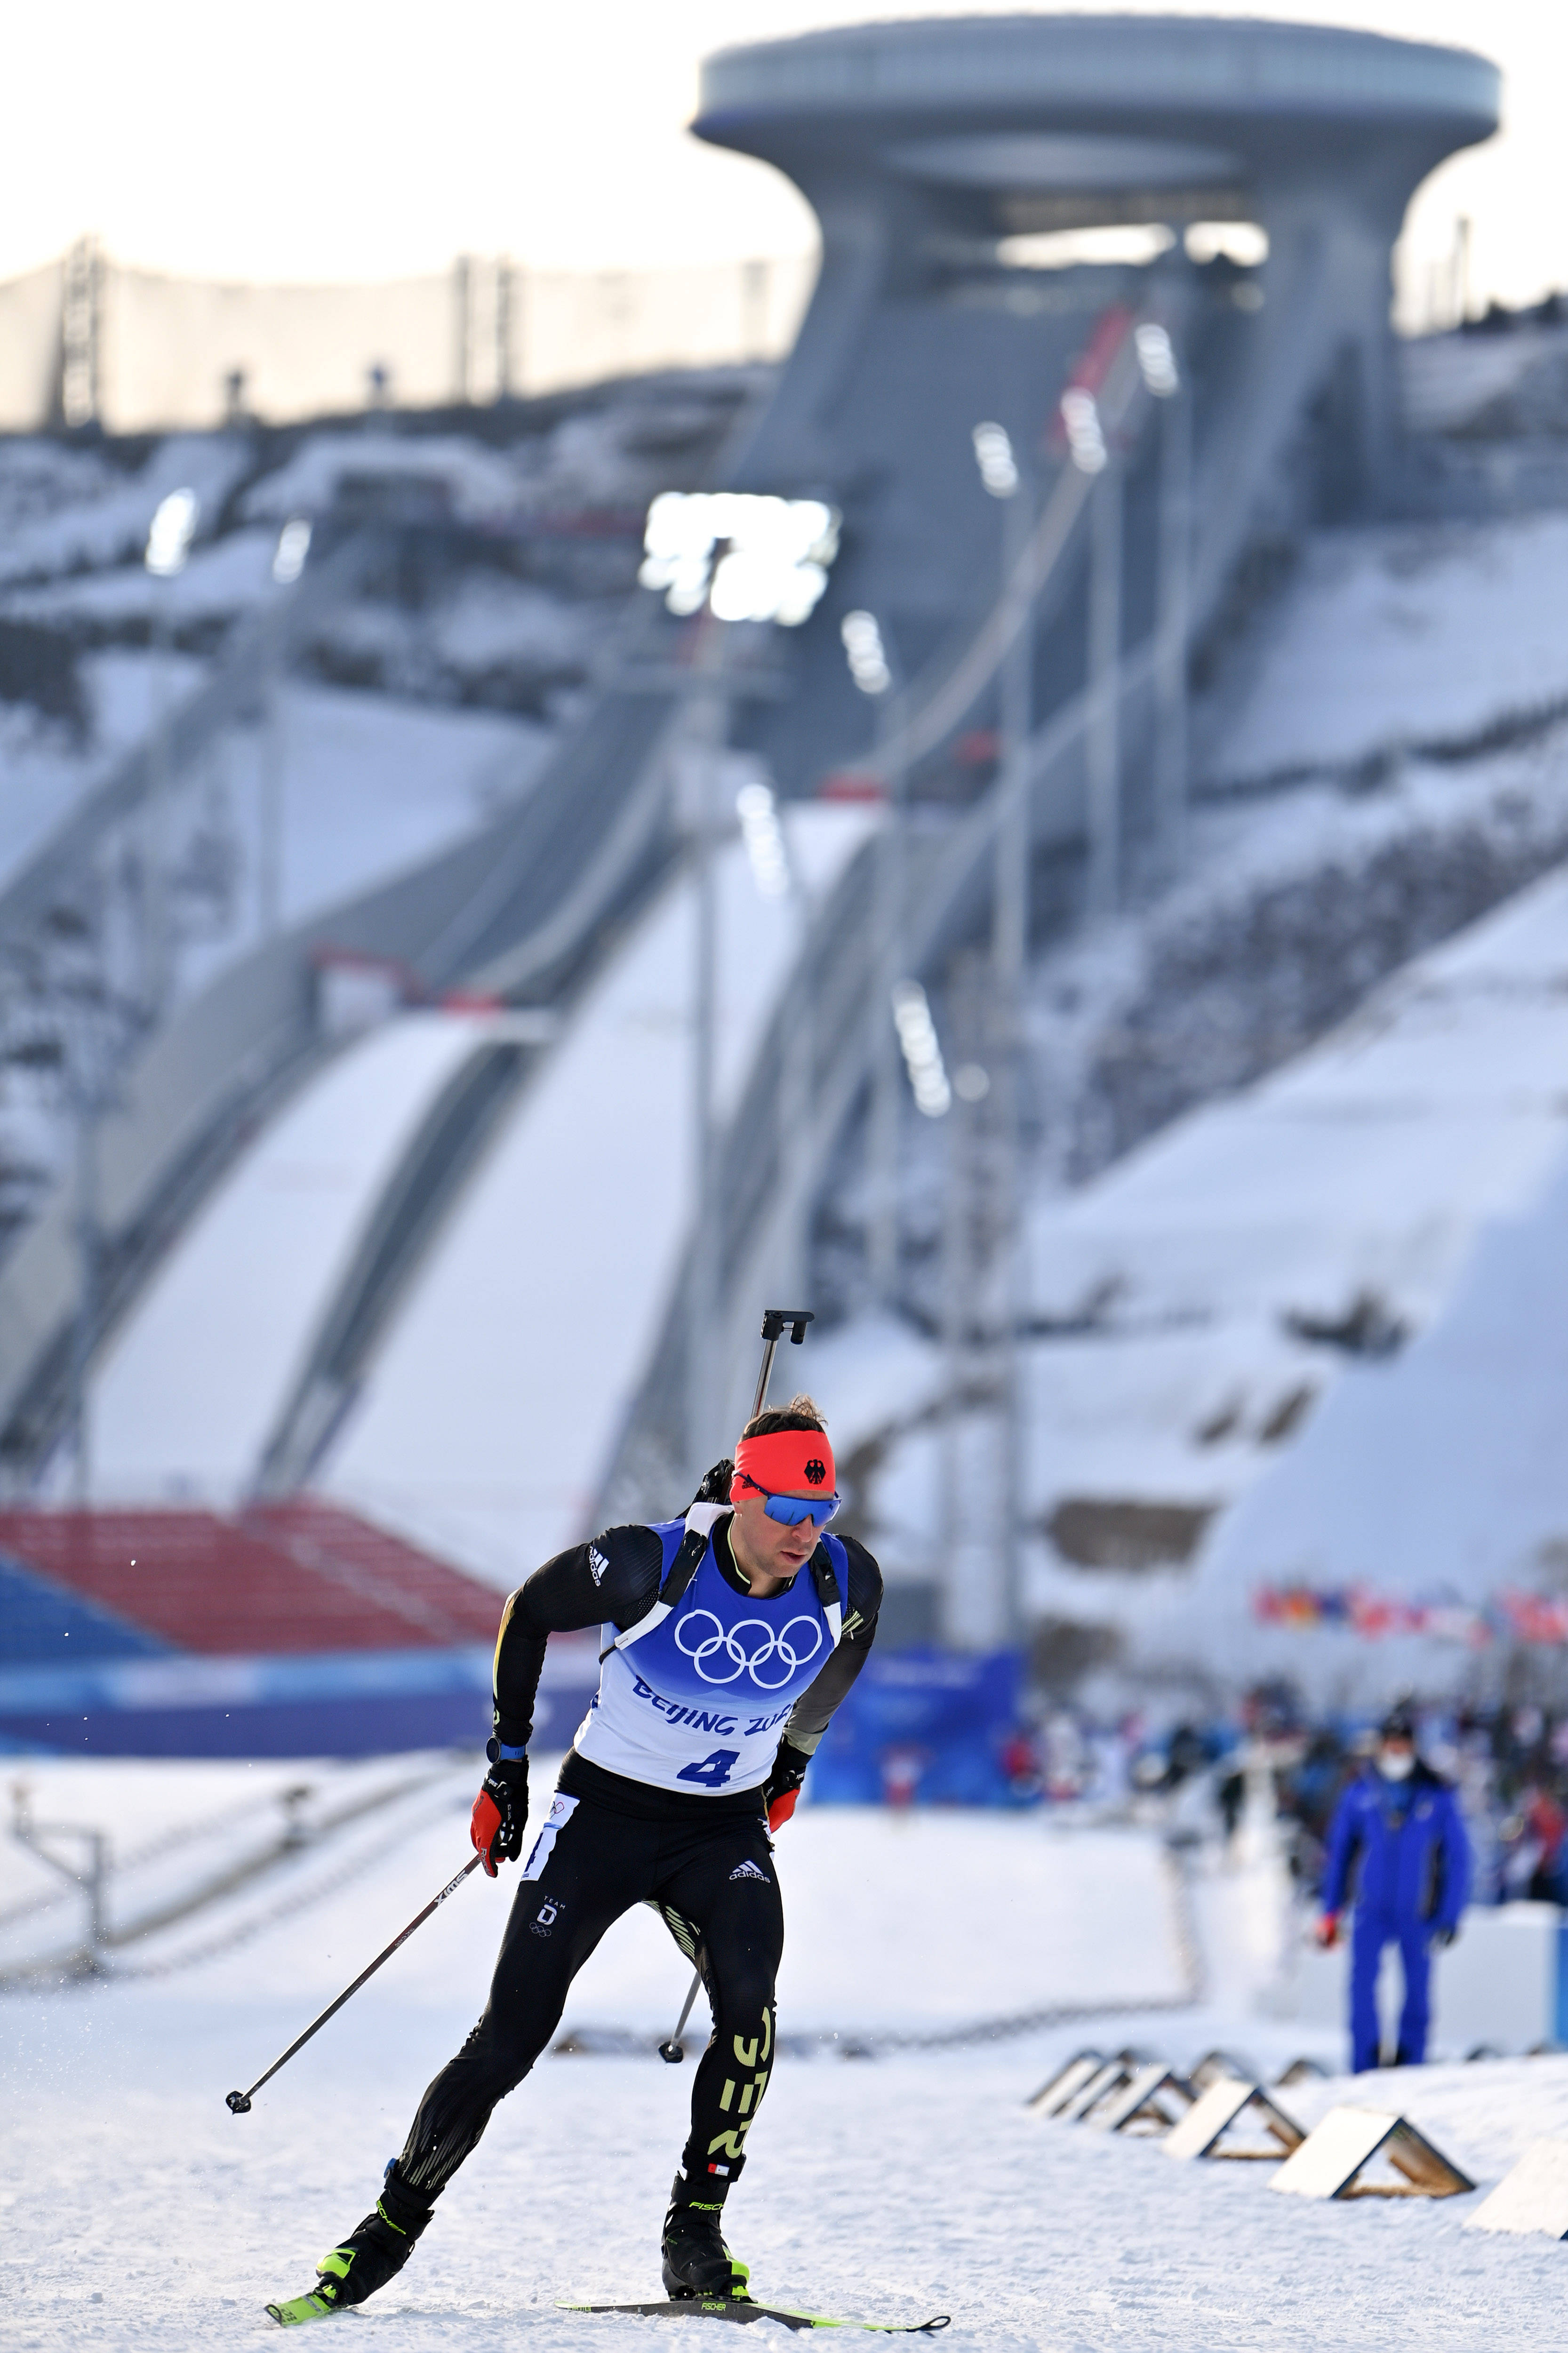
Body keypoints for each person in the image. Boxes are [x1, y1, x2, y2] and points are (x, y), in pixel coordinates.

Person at [269, 1395, 880, 2324]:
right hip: (604, 1819)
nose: (807, 1532)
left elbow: (845, 1653)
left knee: (750, 2015)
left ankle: (696, 2234)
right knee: (509, 2041)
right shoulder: (650, 1561)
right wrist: (505, 1768)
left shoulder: (845, 1581)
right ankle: (383, 2236)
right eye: (789, 1511)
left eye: (821, 1510)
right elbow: (528, 1611)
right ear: (743, 1498)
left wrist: (793, 1758)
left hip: (719, 1832)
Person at [1316, 1701, 1472, 2073]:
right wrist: (1330, 1911)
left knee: (1417, 1994)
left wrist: (1449, 1916)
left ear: (1414, 1748)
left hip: (1417, 1911)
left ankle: (1411, 2060)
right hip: (1371, 1910)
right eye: (1391, 1744)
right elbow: (1339, 1855)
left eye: (1404, 1744)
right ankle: (1364, 2062)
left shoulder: (1436, 1796)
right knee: (1361, 1990)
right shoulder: (1360, 1793)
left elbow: (1460, 1859)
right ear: (1381, 1747)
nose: (1397, 1752)